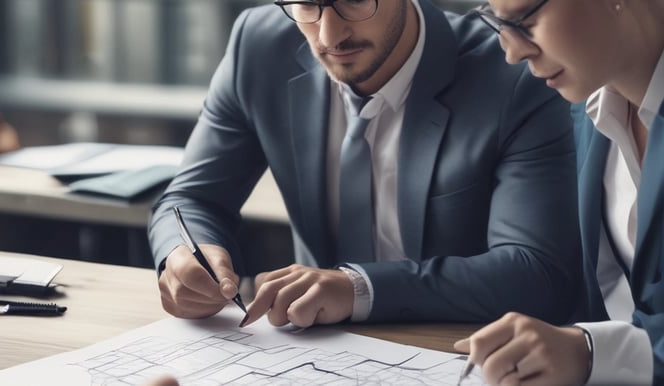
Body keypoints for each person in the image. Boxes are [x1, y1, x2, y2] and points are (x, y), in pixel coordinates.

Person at [148, 0, 580, 328]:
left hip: (461, 350)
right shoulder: (258, 45)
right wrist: (183, 255)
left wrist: (358, 289)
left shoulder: (514, 73)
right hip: (309, 351)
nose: (329, 35)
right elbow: (191, 199)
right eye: (306, 4)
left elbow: (537, 272)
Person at [454, 0, 664, 384]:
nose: (513, 52)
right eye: (496, 21)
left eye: (526, 19)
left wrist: (589, 351)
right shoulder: (588, 109)